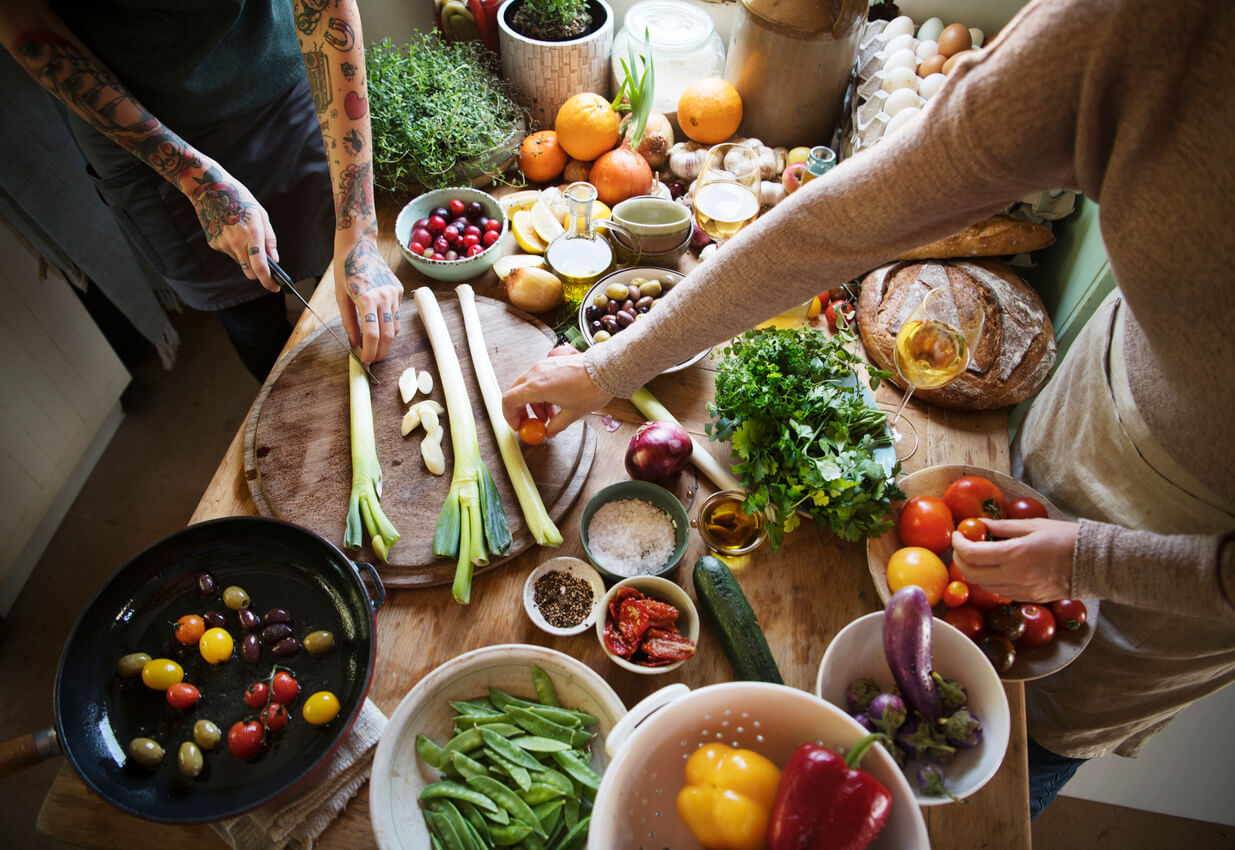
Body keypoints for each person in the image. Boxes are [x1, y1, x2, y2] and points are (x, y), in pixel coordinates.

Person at [501, 0, 1235, 819]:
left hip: (1193, 569)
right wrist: (611, 364)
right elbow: (838, 223)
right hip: (1097, 400)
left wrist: (1097, 561)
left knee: (1002, 745)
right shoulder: (1147, 25)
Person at [0, 0, 403, 381]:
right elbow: (25, 20)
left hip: (272, 78)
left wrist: (360, 230)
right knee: (241, 300)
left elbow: (328, 10)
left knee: (331, 250)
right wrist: (196, 179)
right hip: (135, 123)